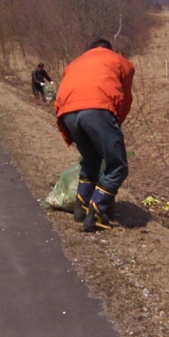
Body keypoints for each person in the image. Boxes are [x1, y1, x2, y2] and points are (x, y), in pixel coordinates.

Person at [54, 39, 135, 232]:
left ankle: (80, 210)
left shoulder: (74, 63)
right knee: (117, 167)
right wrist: (114, 125)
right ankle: (96, 215)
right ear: (109, 49)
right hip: (98, 109)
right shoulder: (121, 61)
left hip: (67, 113)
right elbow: (125, 98)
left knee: (90, 160)